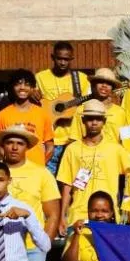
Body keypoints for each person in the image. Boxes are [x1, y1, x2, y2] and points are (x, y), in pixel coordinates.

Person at [0, 125, 61, 261]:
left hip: (32, 249)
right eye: (9, 143)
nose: (14, 147)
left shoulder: (42, 174)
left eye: (20, 143)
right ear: (2, 146)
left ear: (27, 147)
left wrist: (43, 246)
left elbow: (53, 214)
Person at [57, 100, 130, 235]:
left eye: (98, 119)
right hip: (78, 214)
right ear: (83, 120)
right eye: (90, 119)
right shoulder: (72, 149)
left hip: (107, 215)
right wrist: (62, 216)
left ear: (104, 121)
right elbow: (66, 185)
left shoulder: (115, 149)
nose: (94, 123)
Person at [34, 41, 92, 173]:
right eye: (59, 58)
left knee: (71, 182)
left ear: (71, 59)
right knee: (48, 183)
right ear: (52, 57)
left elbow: (89, 103)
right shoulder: (40, 77)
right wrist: (32, 93)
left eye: (66, 59)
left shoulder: (81, 79)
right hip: (49, 141)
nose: (62, 62)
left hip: (73, 139)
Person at [0, 70, 55, 166]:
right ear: (12, 87)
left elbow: (50, 147)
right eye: (18, 84)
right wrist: (10, 165)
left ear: (33, 88)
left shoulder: (43, 114)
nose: (22, 88)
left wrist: (39, 167)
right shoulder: (2, 115)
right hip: (12, 172)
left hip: (35, 172)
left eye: (27, 85)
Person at [88, 68, 128, 144]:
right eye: (100, 82)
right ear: (93, 85)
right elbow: (76, 139)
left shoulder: (122, 112)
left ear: (113, 88)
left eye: (108, 83)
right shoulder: (82, 110)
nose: (104, 85)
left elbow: (129, 140)